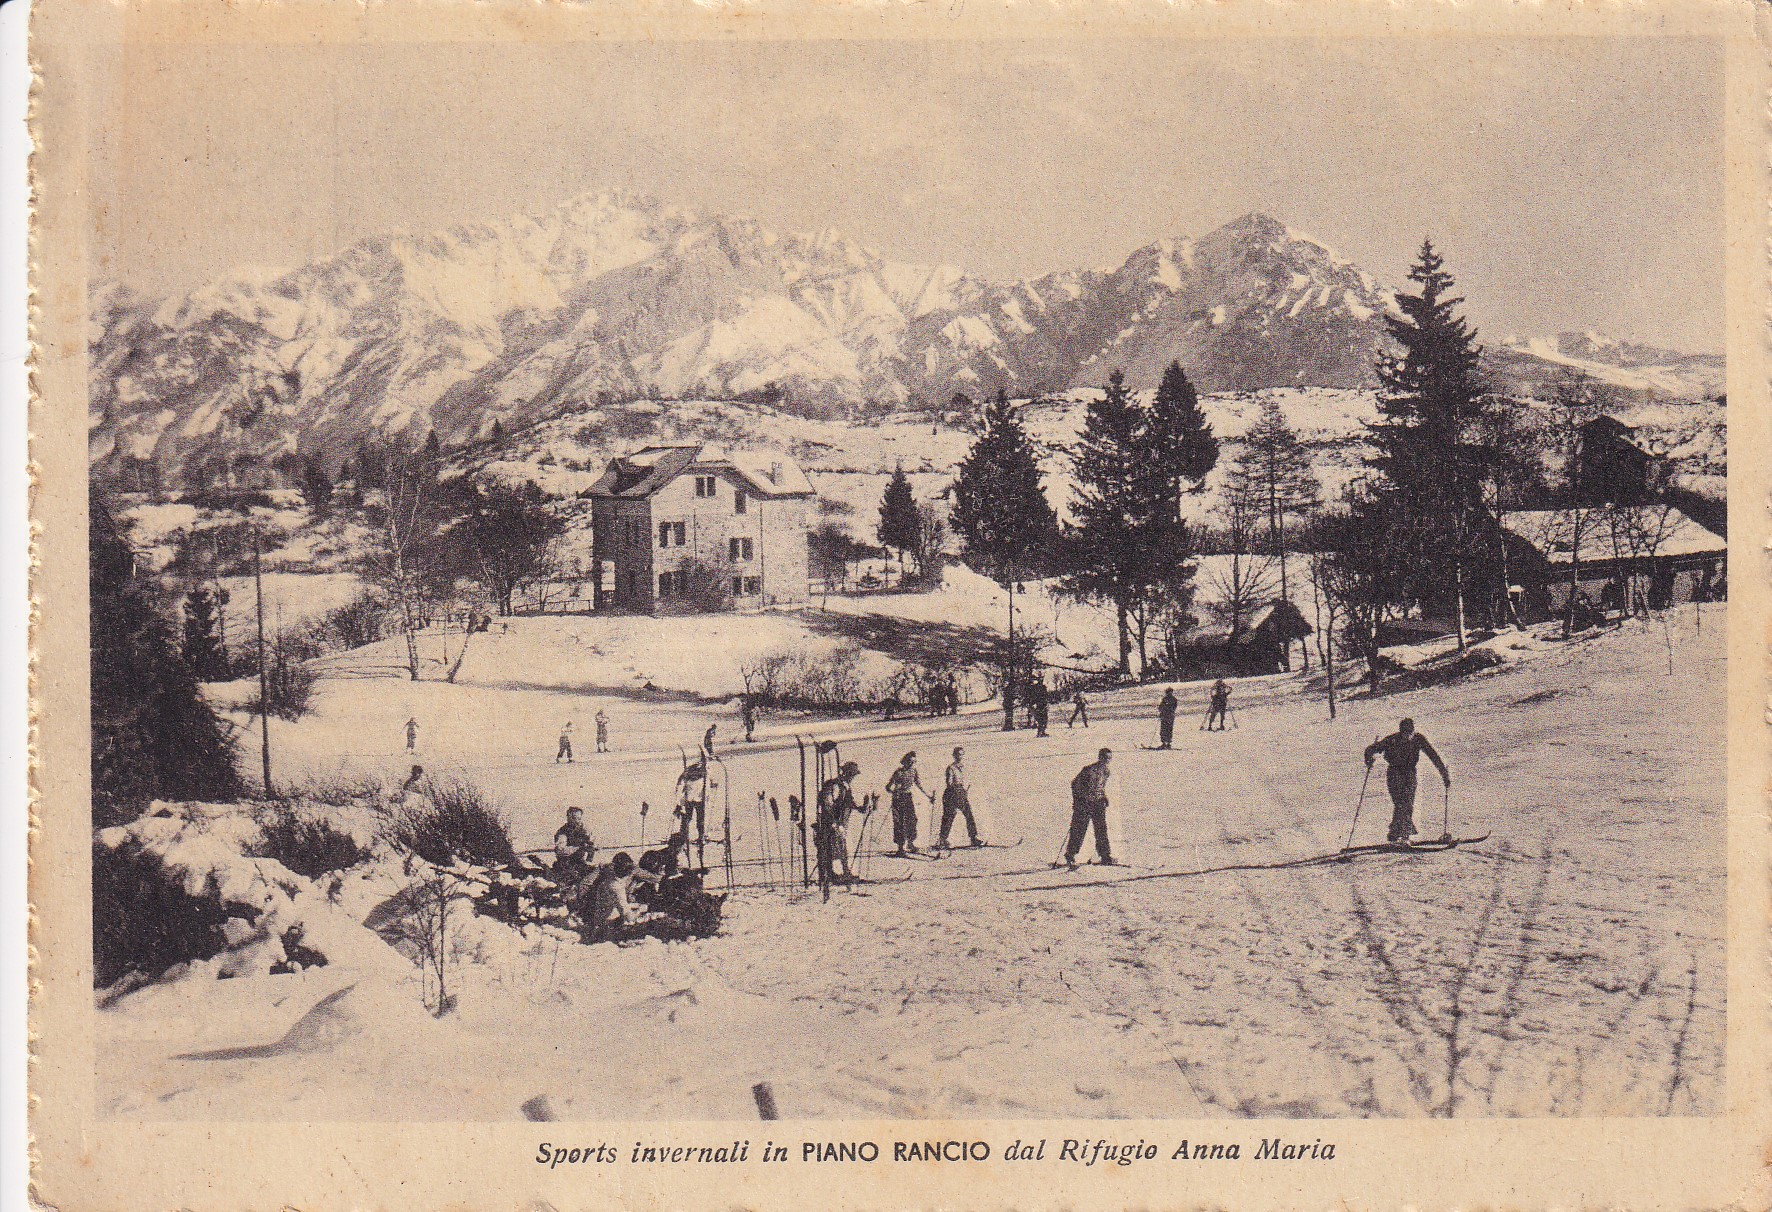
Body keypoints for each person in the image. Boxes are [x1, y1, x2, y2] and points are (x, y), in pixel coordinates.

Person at [1363, 718, 1451, 844]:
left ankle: (1398, 834)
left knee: (1408, 802)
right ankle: (1401, 834)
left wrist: (1444, 774)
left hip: (1410, 773)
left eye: (1410, 733)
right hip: (1395, 773)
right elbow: (1370, 749)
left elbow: (1433, 755)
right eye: (1405, 733)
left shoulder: (1418, 739)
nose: (1407, 736)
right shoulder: (1391, 740)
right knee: (1400, 803)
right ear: (1401, 732)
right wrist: (1369, 759)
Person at [574, 852, 652, 944]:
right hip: (608, 926)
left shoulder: (609, 881)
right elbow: (627, 914)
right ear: (629, 873)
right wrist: (642, 910)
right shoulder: (617, 887)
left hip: (599, 919)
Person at [1060, 747, 1117, 868]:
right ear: (1100, 757)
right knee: (1079, 829)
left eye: (1109, 758)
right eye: (1105, 758)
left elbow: (1100, 787)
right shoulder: (1089, 770)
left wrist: (1103, 797)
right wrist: (1079, 800)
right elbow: (1075, 784)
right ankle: (1070, 854)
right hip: (1084, 803)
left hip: (1097, 803)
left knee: (1101, 829)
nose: (1107, 760)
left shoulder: (1106, 771)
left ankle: (1105, 855)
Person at [816, 760, 864, 883]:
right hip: (832, 823)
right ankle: (829, 875)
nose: (852, 777)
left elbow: (849, 802)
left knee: (841, 847)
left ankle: (843, 872)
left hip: (841, 822)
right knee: (832, 848)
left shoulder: (845, 786)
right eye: (852, 774)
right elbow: (827, 804)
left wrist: (861, 808)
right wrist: (833, 822)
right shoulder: (835, 786)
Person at [885, 751, 935, 856]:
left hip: (908, 798)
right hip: (898, 799)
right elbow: (888, 787)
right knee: (899, 823)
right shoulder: (899, 772)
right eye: (910, 762)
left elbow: (919, 785)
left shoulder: (914, 771)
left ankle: (911, 844)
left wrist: (929, 796)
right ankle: (900, 848)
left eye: (914, 762)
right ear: (905, 762)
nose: (912, 764)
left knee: (912, 820)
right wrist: (894, 791)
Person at [937, 746, 983, 849]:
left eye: (961, 754)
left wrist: (964, 790)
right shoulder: (951, 768)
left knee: (969, 815)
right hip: (952, 793)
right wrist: (956, 791)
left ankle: (973, 838)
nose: (960, 757)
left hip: (961, 792)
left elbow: (965, 780)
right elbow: (949, 783)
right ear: (954, 755)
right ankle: (942, 840)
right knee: (949, 817)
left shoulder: (963, 767)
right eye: (958, 754)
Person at [552, 806, 594, 882]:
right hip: (566, 865)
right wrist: (578, 848)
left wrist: (589, 859)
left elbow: (591, 847)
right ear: (568, 818)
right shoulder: (563, 832)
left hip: (580, 863)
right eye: (574, 818)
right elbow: (560, 850)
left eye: (579, 818)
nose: (577, 821)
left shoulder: (585, 830)